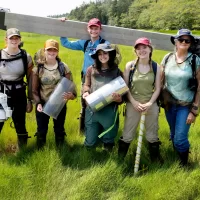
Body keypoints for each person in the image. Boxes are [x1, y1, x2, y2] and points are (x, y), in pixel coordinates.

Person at [60, 18, 109, 133]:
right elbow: (66, 43)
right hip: (85, 78)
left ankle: (99, 130)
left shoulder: (105, 44)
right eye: (91, 28)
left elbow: (107, 54)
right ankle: (83, 132)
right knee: (85, 103)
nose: (94, 31)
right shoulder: (85, 43)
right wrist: (63, 27)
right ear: (88, 29)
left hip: (100, 78)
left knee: (99, 103)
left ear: (100, 29)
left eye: (96, 28)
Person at [118, 37, 162, 162]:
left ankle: (155, 161)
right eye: (138, 48)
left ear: (150, 49)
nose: (142, 50)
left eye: (144, 47)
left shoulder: (156, 67)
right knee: (127, 134)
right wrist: (134, 102)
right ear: (135, 51)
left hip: (150, 103)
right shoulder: (130, 66)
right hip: (133, 102)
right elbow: (125, 88)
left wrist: (149, 103)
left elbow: (158, 88)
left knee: (152, 135)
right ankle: (120, 161)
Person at [160, 29, 200, 166]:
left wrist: (194, 109)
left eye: (187, 40)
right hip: (169, 104)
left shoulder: (195, 60)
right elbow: (160, 81)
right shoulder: (167, 58)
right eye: (181, 39)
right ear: (175, 42)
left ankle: (184, 165)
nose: (184, 42)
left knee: (180, 138)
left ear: (190, 43)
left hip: (185, 105)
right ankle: (176, 159)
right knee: (173, 134)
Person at [32, 39, 77, 149]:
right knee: (41, 130)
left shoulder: (63, 67)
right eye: (49, 50)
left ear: (57, 52)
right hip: (42, 103)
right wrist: (38, 103)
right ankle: (40, 151)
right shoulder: (38, 68)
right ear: (44, 50)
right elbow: (34, 89)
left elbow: (71, 87)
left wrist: (71, 96)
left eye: (54, 50)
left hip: (59, 104)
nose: (52, 52)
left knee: (59, 129)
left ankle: (61, 150)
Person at [82, 43, 123, 151]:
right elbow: (86, 85)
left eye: (105, 53)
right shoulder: (91, 70)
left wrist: (119, 99)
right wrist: (86, 92)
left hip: (109, 109)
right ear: (96, 56)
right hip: (92, 108)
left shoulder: (117, 72)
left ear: (110, 55)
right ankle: (90, 147)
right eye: (99, 54)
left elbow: (123, 93)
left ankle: (108, 147)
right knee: (90, 143)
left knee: (109, 139)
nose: (102, 56)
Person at [0, 28, 33, 149]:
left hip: (19, 92)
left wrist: (30, 100)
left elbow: (30, 80)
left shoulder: (26, 57)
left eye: (16, 38)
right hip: (1, 93)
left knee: (20, 122)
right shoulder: (0, 54)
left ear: (20, 39)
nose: (14, 40)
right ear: (6, 40)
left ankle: (22, 150)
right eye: (11, 38)